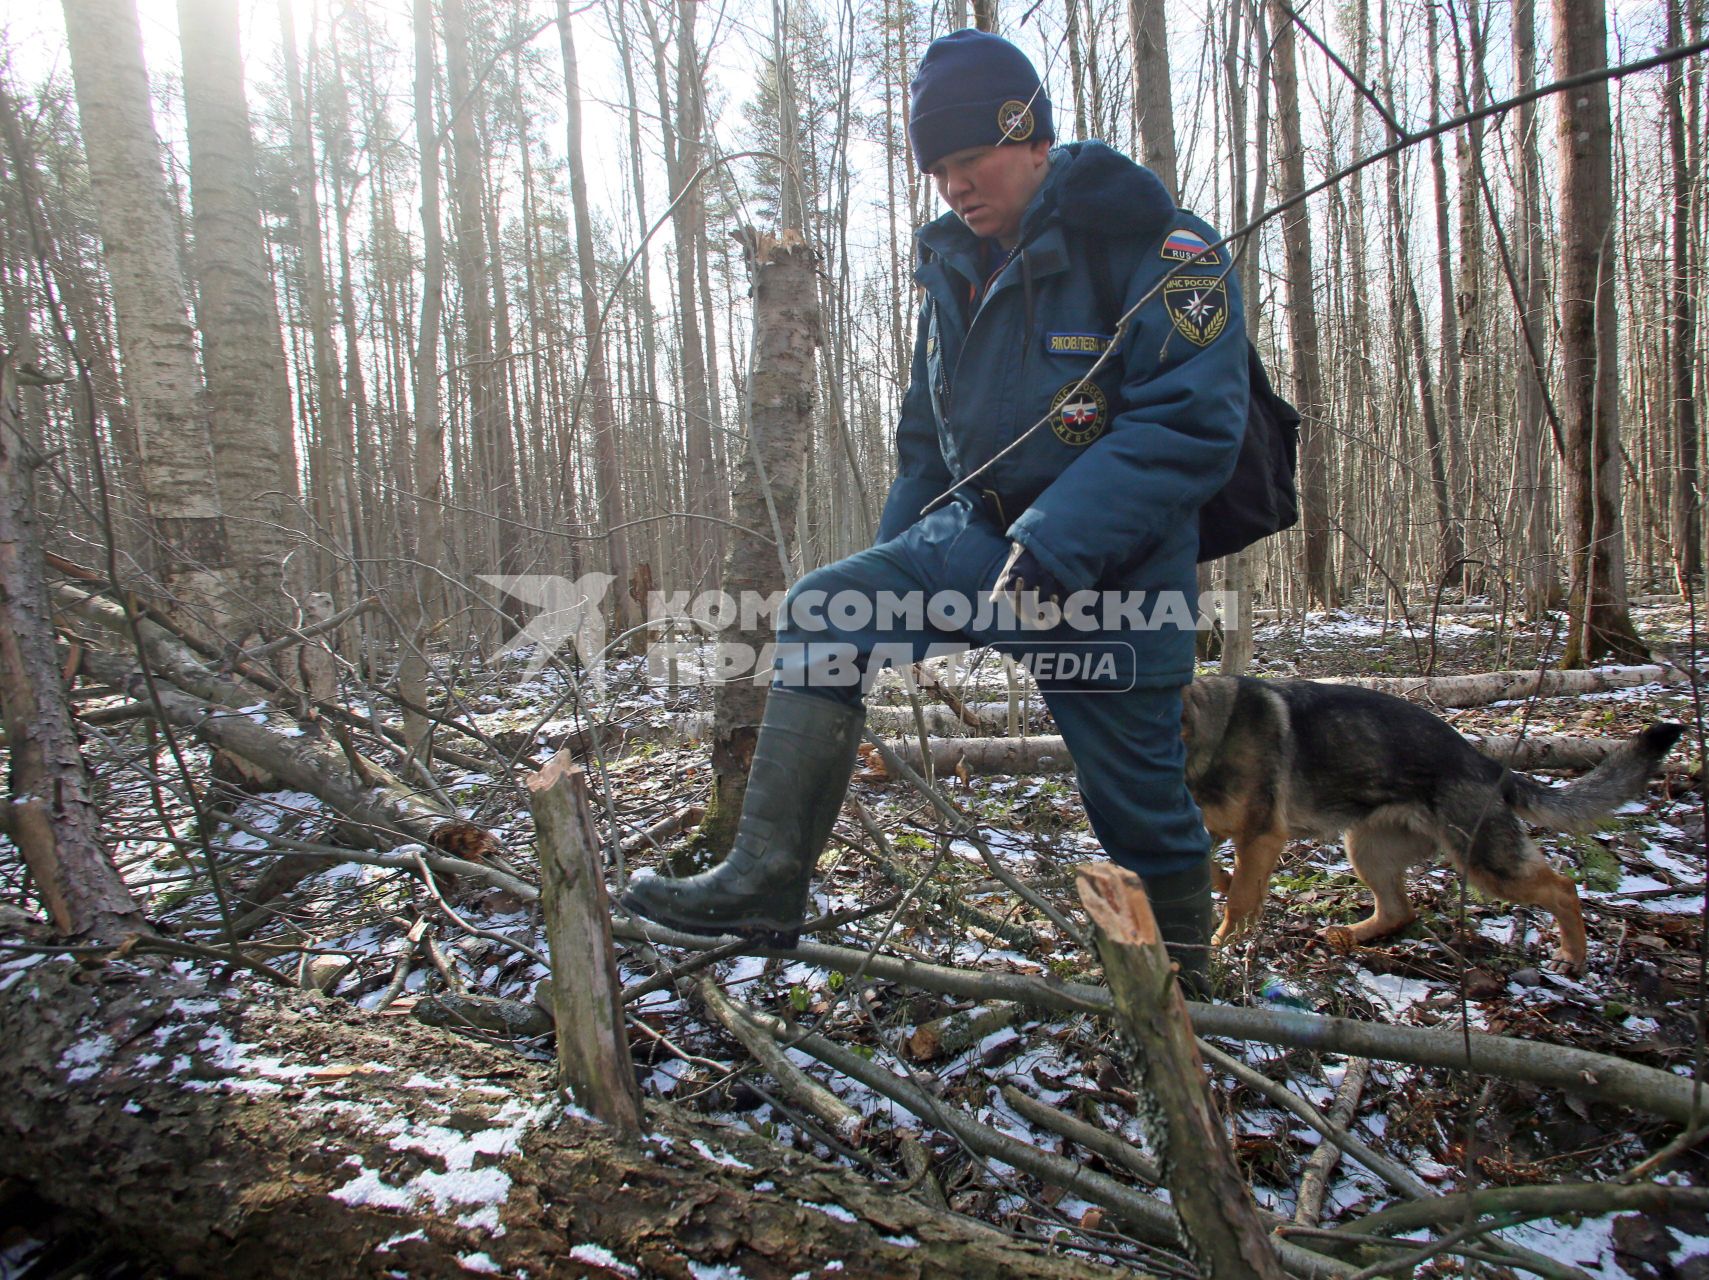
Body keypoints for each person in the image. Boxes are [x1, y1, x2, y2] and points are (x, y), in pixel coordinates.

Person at [621, 29, 1249, 990]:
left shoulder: (1156, 244)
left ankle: (1186, 998)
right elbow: (926, 439)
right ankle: (763, 884)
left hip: (1108, 571)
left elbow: (1191, 423)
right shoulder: (953, 266)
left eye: (971, 158)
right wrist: (898, 568)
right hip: (975, 541)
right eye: (938, 167)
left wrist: (1054, 545)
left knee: (1139, 798)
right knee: (825, 614)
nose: (954, 184)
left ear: (1032, 137)